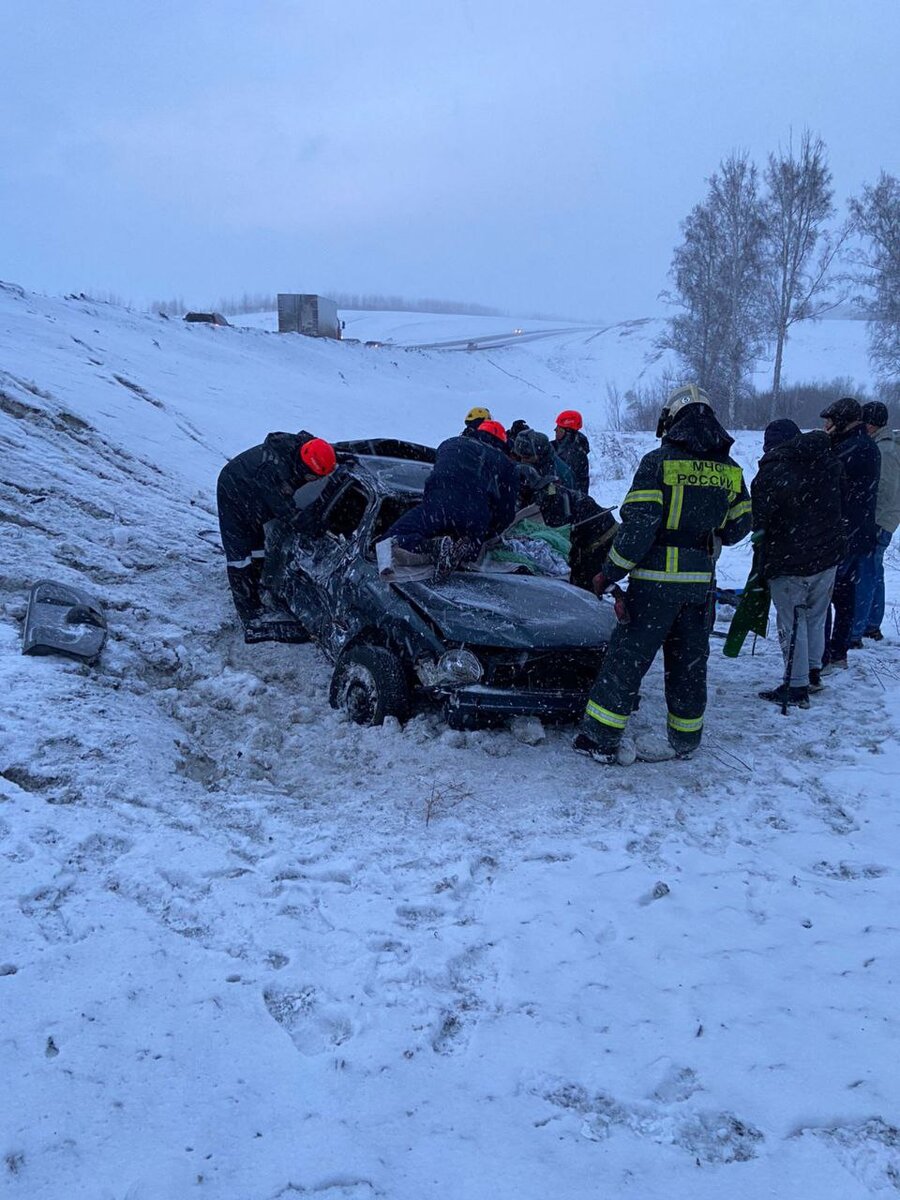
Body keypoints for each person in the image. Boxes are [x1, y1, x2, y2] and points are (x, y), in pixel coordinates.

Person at [573, 384, 751, 765]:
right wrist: (706, 530)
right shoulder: (730, 471)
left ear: (673, 422)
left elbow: (637, 531)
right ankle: (685, 740)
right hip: (700, 588)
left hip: (653, 587)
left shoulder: (658, 463)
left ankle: (600, 740)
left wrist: (609, 572)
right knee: (688, 663)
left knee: (627, 661)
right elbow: (740, 527)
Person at [751, 419, 846, 707]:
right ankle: (814, 673)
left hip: (789, 558)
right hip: (828, 555)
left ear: (770, 445)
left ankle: (796, 686)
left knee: (792, 621)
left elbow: (759, 521)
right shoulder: (827, 462)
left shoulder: (770, 473)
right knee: (816, 616)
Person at [217, 431, 337, 640]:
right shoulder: (273, 473)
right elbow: (290, 515)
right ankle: (250, 615)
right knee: (240, 555)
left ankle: (258, 584)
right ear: (303, 467)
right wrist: (316, 524)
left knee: (257, 546)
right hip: (234, 489)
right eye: (313, 477)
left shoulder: (307, 448)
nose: (314, 481)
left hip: (254, 488)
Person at [387, 420, 518, 571]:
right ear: (502, 442)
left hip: (436, 507)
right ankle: (465, 549)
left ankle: (429, 547)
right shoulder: (507, 464)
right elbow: (506, 513)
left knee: (391, 541)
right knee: (471, 546)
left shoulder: (450, 444)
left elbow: (437, 476)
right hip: (474, 517)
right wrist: (486, 533)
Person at [820, 397, 880, 670]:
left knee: (827, 596)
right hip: (857, 532)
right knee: (844, 597)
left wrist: (823, 444)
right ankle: (838, 652)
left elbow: (826, 479)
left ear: (842, 420)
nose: (826, 425)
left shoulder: (852, 449)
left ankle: (824, 655)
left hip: (844, 533)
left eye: (830, 421)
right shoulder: (862, 445)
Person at [852, 401, 899, 642]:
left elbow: (885, 491)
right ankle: (870, 625)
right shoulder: (882, 445)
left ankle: (858, 629)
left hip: (879, 521)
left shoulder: (885, 450)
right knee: (873, 571)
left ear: (870, 424)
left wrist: (872, 522)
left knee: (866, 574)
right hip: (881, 520)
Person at [554, 410, 591, 494]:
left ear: (568, 433)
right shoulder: (559, 447)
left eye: (559, 428)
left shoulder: (576, 455)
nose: (555, 430)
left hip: (567, 502)